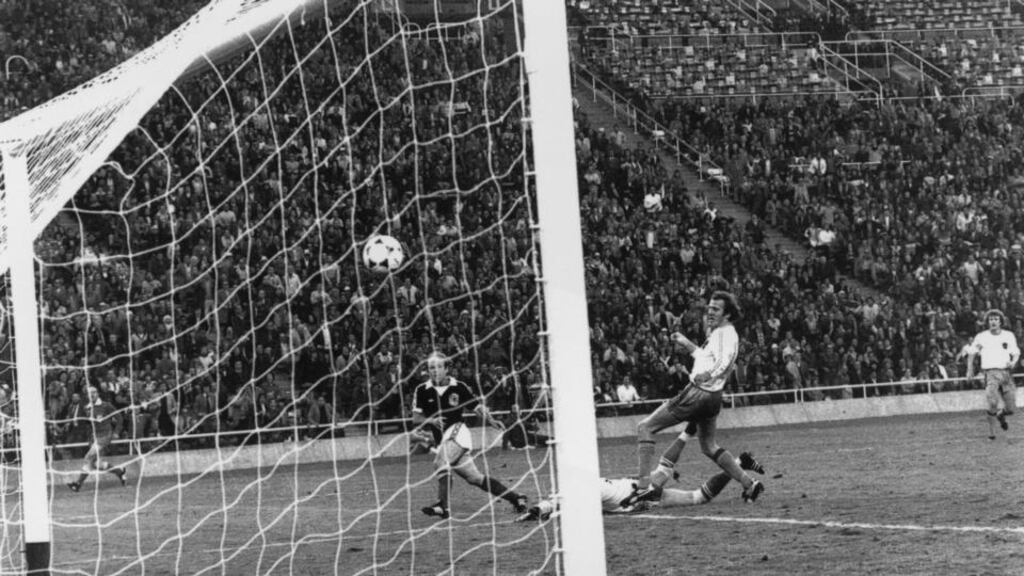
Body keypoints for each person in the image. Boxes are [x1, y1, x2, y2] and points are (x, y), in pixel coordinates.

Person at [630, 291, 763, 504]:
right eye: (709, 307)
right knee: (709, 446)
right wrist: (685, 342)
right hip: (713, 397)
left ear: (727, 314)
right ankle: (749, 484)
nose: (710, 312)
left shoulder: (724, 334)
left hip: (698, 394)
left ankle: (643, 489)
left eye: (716, 309)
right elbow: (705, 358)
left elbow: (725, 362)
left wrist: (708, 375)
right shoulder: (723, 333)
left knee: (645, 427)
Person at [413, 352, 528, 520]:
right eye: (431, 367)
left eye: (439, 367)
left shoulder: (459, 387)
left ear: (446, 369)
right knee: (474, 478)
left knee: (440, 462)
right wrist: (431, 420)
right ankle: (517, 498)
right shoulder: (422, 390)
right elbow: (416, 418)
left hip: (458, 432)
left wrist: (491, 420)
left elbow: (476, 407)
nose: (435, 370)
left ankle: (442, 506)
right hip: (444, 441)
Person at [516, 451, 765, 522]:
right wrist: (541, 510)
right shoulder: (591, 483)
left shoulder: (589, 490)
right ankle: (739, 463)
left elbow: (564, 505)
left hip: (644, 494)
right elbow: (561, 501)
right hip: (640, 489)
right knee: (698, 496)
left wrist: (539, 511)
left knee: (696, 496)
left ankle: (735, 462)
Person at [965, 309, 1019, 440]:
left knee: (1011, 409)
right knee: (992, 402)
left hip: (1006, 373)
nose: (993, 321)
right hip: (990, 374)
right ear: (987, 322)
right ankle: (992, 433)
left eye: (995, 319)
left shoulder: (1008, 335)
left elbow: (1015, 352)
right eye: (990, 319)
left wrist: (1013, 361)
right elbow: (972, 353)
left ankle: (1001, 415)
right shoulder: (982, 336)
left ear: (1000, 321)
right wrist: (969, 369)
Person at [66, 386, 127, 492]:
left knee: (88, 457)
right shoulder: (87, 408)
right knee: (96, 464)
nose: (92, 395)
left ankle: (77, 484)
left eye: (94, 392)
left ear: (98, 393)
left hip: (105, 435)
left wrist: (117, 432)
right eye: (90, 393)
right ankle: (119, 471)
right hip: (94, 437)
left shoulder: (106, 405)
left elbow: (119, 417)